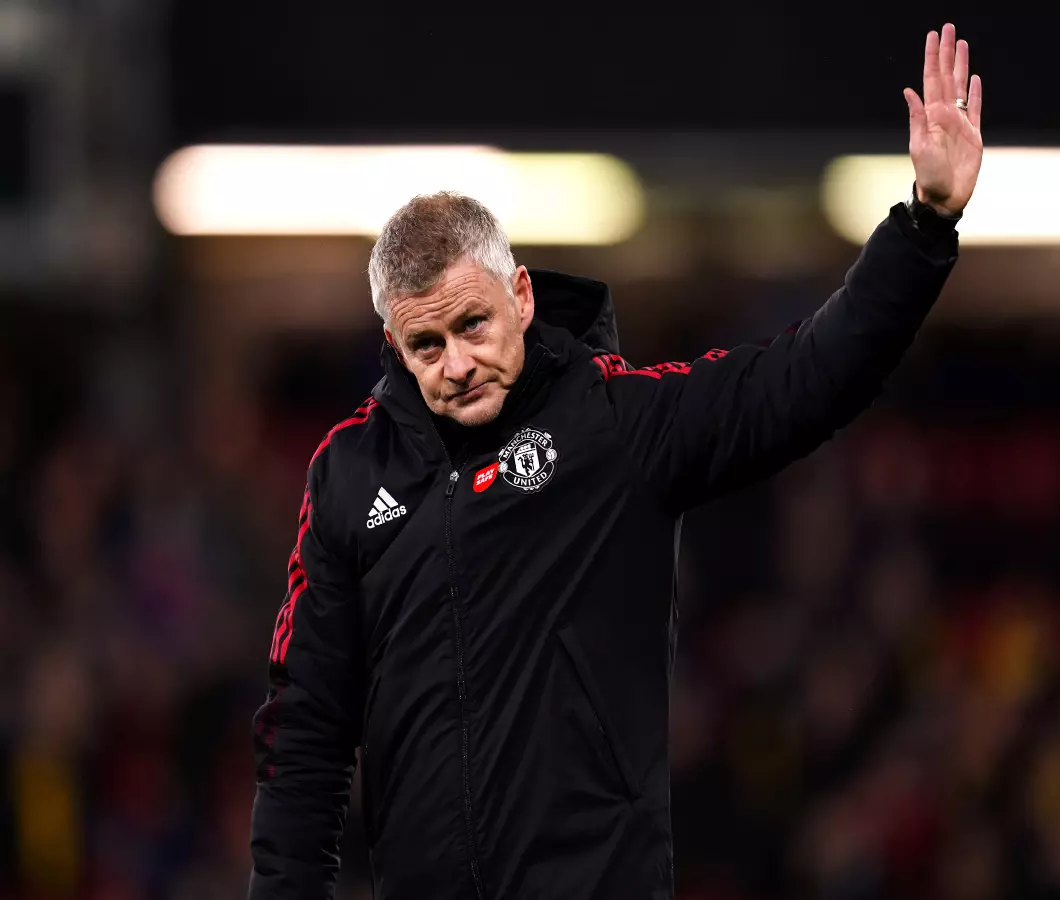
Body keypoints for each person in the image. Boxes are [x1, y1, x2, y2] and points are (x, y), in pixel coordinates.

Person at [248, 22, 983, 900]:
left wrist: (925, 225)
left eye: (472, 325)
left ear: (520, 295)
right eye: (425, 343)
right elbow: (305, 738)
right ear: (393, 344)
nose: (455, 363)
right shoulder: (347, 477)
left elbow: (804, 381)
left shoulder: (616, 424)